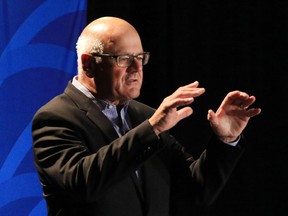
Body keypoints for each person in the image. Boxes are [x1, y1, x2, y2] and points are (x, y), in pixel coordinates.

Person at [32, 16, 261, 216]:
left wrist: (225, 141)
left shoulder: (143, 115)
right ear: (89, 63)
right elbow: (82, 185)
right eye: (123, 58)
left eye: (140, 57)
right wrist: (151, 129)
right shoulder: (55, 117)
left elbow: (195, 189)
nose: (136, 68)